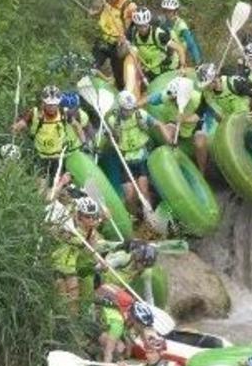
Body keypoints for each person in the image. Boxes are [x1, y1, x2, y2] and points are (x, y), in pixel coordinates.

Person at [105, 90, 167, 218]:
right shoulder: (112, 120)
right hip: (125, 160)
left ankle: (151, 217)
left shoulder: (141, 115)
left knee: (143, 190)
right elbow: (112, 143)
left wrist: (169, 140)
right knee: (129, 196)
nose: (129, 112)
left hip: (141, 157)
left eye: (131, 109)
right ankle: (135, 217)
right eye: (126, 109)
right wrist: (111, 139)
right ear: (120, 108)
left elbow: (158, 124)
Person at [11, 85, 81, 187]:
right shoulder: (35, 113)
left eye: (54, 105)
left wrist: (84, 143)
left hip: (57, 158)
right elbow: (23, 123)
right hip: (40, 157)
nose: (52, 107)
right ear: (43, 102)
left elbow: (77, 126)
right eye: (49, 104)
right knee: (41, 190)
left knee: (53, 189)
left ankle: (64, 182)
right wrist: (16, 127)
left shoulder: (64, 113)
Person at [148, 72, 211, 173]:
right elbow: (150, 99)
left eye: (174, 99)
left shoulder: (198, 99)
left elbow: (198, 116)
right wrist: (134, 106)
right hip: (175, 122)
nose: (172, 100)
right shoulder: (167, 95)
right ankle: (174, 157)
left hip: (196, 125)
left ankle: (202, 170)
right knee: (167, 132)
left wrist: (183, 119)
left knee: (200, 143)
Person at [50, 193, 107, 303]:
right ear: (80, 215)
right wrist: (60, 232)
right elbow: (53, 232)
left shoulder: (91, 232)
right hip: (56, 265)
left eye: (93, 216)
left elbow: (90, 251)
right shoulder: (68, 225)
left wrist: (101, 263)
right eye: (87, 216)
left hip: (71, 268)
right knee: (62, 301)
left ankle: (72, 320)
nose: (91, 219)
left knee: (73, 302)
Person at [92, 0, 139, 91]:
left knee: (119, 77)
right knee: (92, 66)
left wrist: (123, 38)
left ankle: (121, 91)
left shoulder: (129, 7)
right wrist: (98, 5)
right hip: (103, 41)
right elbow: (93, 12)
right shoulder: (105, 0)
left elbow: (129, 28)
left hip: (117, 45)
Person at [127, 7, 183, 81]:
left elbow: (179, 48)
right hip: (151, 70)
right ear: (136, 25)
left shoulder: (159, 34)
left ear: (148, 23)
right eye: (139, 26)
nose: (143, 29)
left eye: (145, 25)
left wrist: (182, 66)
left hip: (167, 68)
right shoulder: (133, 34)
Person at [97, 299, 156, 366]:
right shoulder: (118, 324)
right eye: (142, 325)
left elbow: (141, 332)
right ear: (135, 320)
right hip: (96, 327)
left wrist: (149, 346)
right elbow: (108, 352)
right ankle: (98, 356)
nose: (143, 328)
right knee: (119, 347)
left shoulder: (127, 316)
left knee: (126, 345)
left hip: (103, 325)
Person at [159, 0, 202, 64]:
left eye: (170, 11)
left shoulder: (181, 25)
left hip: (179, 58)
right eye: (165, 11)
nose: (167, 14)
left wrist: (197, 62)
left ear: (175, 12)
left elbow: (191, 45)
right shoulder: (162, 24)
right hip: (165, 57)